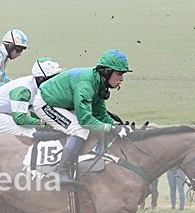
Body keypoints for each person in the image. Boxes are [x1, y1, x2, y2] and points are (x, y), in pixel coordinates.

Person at [33, 49, 132, 185]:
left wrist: (119, 126)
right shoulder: (86, 85)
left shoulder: (99, 84)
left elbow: (100, 115)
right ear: (106, 72)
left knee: (86, 127)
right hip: (45, 103)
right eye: (119, 74)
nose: (121, 79)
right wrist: (112, 128)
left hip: (60, 102)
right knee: (79, 130)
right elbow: (85, 121)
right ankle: (60, 172)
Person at [0, 57, 62, 137]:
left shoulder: (37, 87)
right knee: (29, 132)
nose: (55, 81)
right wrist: (44, 124)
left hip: (1, 113)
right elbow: (20, 120)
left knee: (35, 129)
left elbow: (36, 112)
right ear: (41, 78)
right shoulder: (23, 90)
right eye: (52, 78)